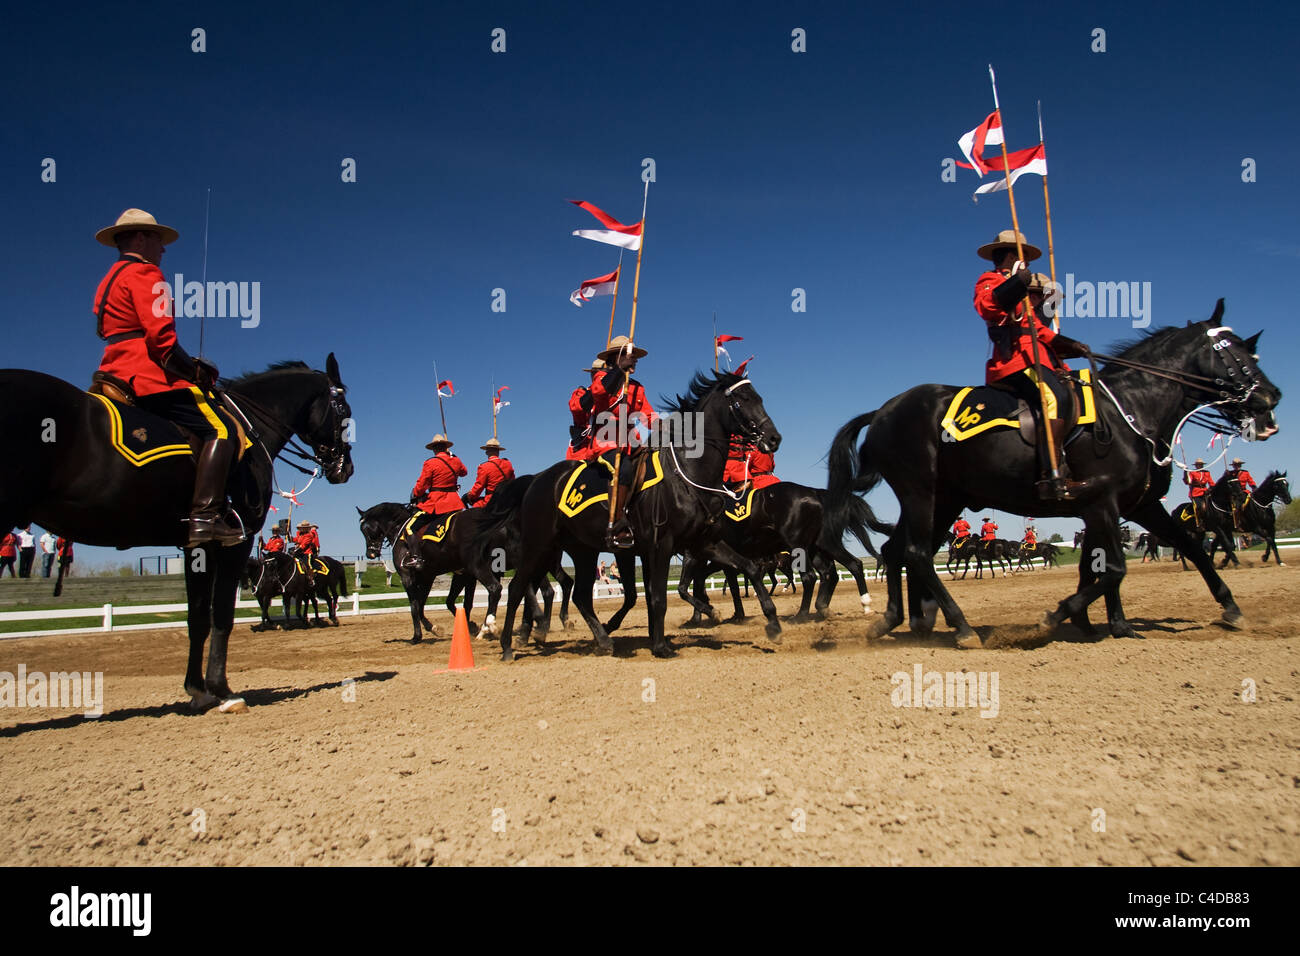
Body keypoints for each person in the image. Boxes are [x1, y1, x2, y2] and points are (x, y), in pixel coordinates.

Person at [92, 208, 244, 547]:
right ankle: (205, 519)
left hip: (113, 369)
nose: (163, 249)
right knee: (222, 428)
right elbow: (161, 341)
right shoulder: (146, 274)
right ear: (142, 238)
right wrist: (194, 372)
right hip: (146, 375)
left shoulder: (107, 280)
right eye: (159, 240)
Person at [974, 230, 1094, 501]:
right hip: (1014, 362)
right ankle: (1051, 475)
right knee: (1055, 397)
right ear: (1007, 256)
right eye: (1022, 255)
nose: (1027, 261)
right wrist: (1016, 283)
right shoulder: (990, 280)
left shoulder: (1025, 295)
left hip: (1042, 360)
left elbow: (1042, 332)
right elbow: (988, 307)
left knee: (1078, 391)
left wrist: (1073, 345)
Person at [589, 335, 659, 548]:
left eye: (634, 357)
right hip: (607, 442)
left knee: (656, 467)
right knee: (625, 470)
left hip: (632, 443)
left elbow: (647, 414)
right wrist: (619, 371)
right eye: (630, 356)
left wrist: (664, 426)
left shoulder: (637, 387)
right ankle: (616, 524)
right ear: (617, 357)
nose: (635, 360)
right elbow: (599, 394)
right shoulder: (602, 378)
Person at [405, 435, 467, 569]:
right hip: (454, 502)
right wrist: (454, 456)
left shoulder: (430, 463)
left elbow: (422, 485)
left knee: (410, 527)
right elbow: (464, 472)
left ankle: (416, 557)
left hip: (436, 502)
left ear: (433, 449)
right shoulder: (455, 460)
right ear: (446, 448)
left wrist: (415, 494)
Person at [566, 358, 605, 460]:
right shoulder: (581, 393)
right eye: (596, 374)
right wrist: (598, 390)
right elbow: (576, 408)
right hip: (582, 452)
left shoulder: (616, 396)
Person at [464, 438, 515, 508]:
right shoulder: (508, 464)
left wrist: (469, 496)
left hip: (491, 500)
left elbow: (479, 487)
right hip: (506, 497)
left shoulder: (484, 467)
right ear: (498, 451)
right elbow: (512, 481)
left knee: (473, 510)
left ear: (486, 452)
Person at [1225, 457, 1257, 529]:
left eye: (1239, 465)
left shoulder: (1245, 473)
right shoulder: (1230, 473)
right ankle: (1238, 523)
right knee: (1236, 507)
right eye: (1236, 465)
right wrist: (1225, 474)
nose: (1237, 466)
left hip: (1244, 491)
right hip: (1234, 494)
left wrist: (1254, 487)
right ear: (1233, 466)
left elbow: (1250, 481)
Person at [1184, 458, 1213, 528]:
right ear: (1196, 466)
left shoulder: (1207, 473)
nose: (1200, 466)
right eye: (1198, 465)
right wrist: (1185, 472)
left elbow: (1211, 483)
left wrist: (1210, 489)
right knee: (1198, 506)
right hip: (1195, 493)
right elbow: (1188, 482)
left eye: (1201, 465)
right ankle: (1199, 523)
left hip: (1206, 492)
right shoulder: (1192, 472)